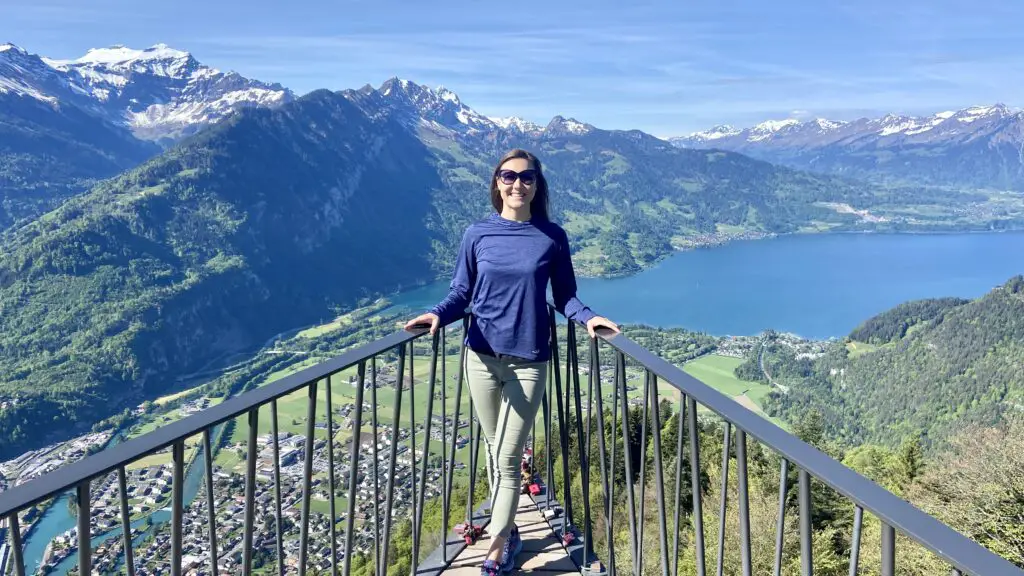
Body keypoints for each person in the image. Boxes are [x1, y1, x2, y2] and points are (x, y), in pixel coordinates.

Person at [404, 149, 618, 574]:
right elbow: (462, 294)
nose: (517, 184)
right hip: (480, 356)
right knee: (491, 445)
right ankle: (512, 533)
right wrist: (437, 314)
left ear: (537, 185)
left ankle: (498, 547)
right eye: (509, 176)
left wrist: (590, 318)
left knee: (506, 459)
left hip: (529, 360)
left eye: (527, 177)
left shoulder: (552, 236)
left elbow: (566, 296)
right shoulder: (477, 234)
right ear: (496, 182)